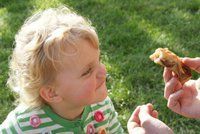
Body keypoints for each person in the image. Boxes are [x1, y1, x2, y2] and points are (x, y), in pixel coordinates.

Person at [0, 6, 124, 133]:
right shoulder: (22, 127)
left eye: (99, 60)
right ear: (52, 93)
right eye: (87, 71)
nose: (103, 72)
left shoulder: (102, 106)